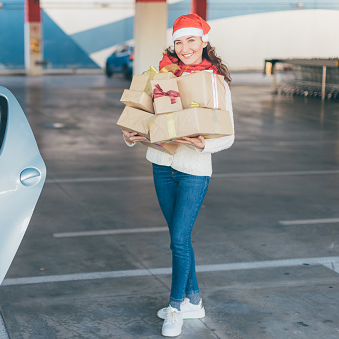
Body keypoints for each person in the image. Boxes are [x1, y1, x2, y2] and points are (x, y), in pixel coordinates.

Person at [121, 13, 235, 337]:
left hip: (194, 171)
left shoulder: (216, 83)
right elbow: (142, 117)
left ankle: (175, 306)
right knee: (179, 239)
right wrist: (129, 135)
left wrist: (202, 144)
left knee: (179, 240)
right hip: (161, 164)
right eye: (179, 41)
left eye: (191, 40)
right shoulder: (163, 77)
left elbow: (228, 136)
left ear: (204, 43)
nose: (185, 48)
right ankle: (194, 300)